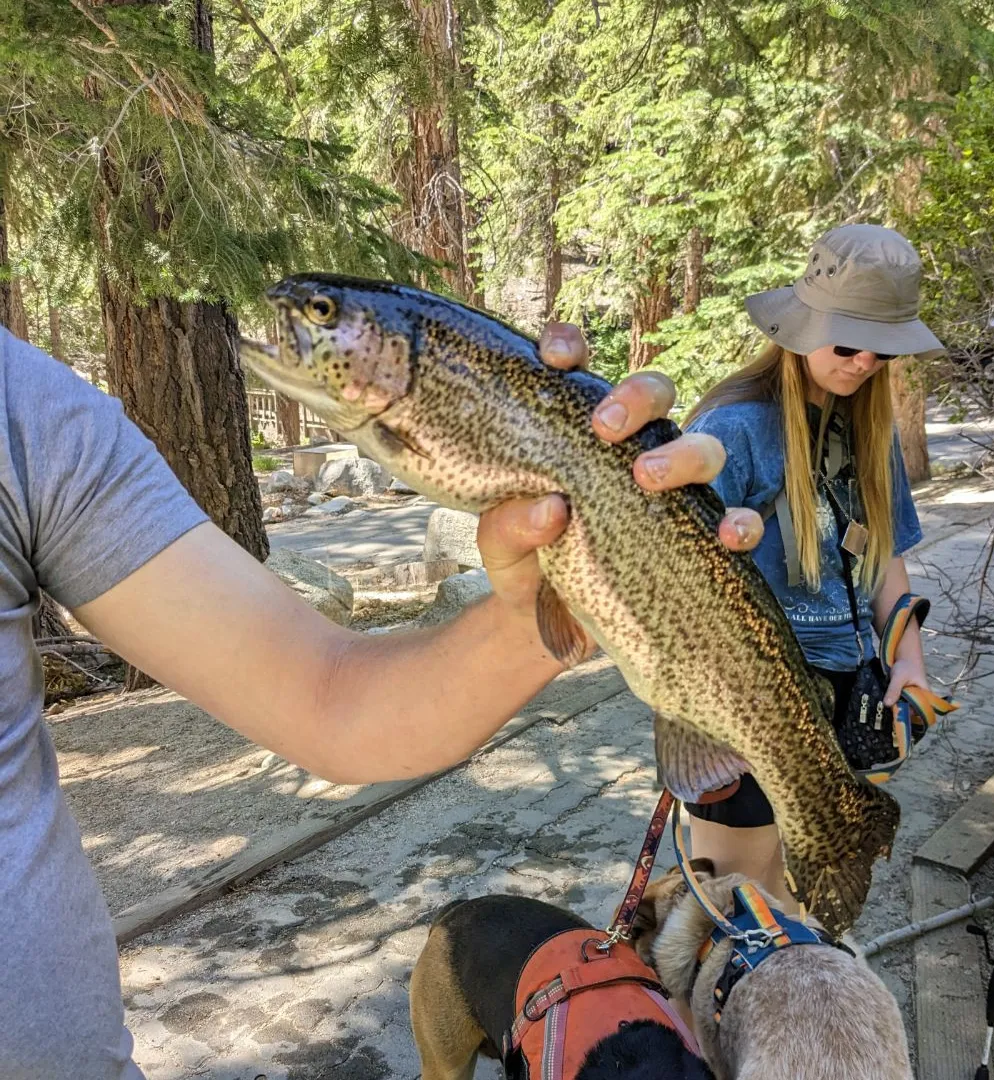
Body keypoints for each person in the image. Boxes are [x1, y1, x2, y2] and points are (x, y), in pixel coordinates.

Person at [0, 316, 762, 1078]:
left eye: (324, 320)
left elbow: (332, 699)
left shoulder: (31, 414)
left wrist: (556, 600)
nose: (287, 323)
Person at [679, 223, 946, 911]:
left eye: (882, 348)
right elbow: (684, 584)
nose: (863, 363)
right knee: (728, 917)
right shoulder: (733, 425)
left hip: (846, 693)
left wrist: (909, 664)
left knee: (802, 914)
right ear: (800, 327)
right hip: (754, 706)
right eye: (848, 342)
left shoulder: (870, 424)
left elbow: (883, 553)